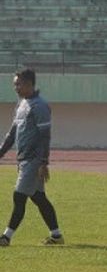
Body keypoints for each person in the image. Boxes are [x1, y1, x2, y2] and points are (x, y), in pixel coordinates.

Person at [0, 68, 64, 246]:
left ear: (29, 84)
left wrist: (43, 162)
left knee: (19, 197)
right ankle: (57, 236)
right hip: (23, 160)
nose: (15, 88)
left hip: (34, 160)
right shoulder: (21, 104)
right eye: (15, 84)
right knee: (38, 198)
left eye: (18, 84)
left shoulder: (39, 105)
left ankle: (6, 237)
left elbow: (45, 136)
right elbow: (12, 134)